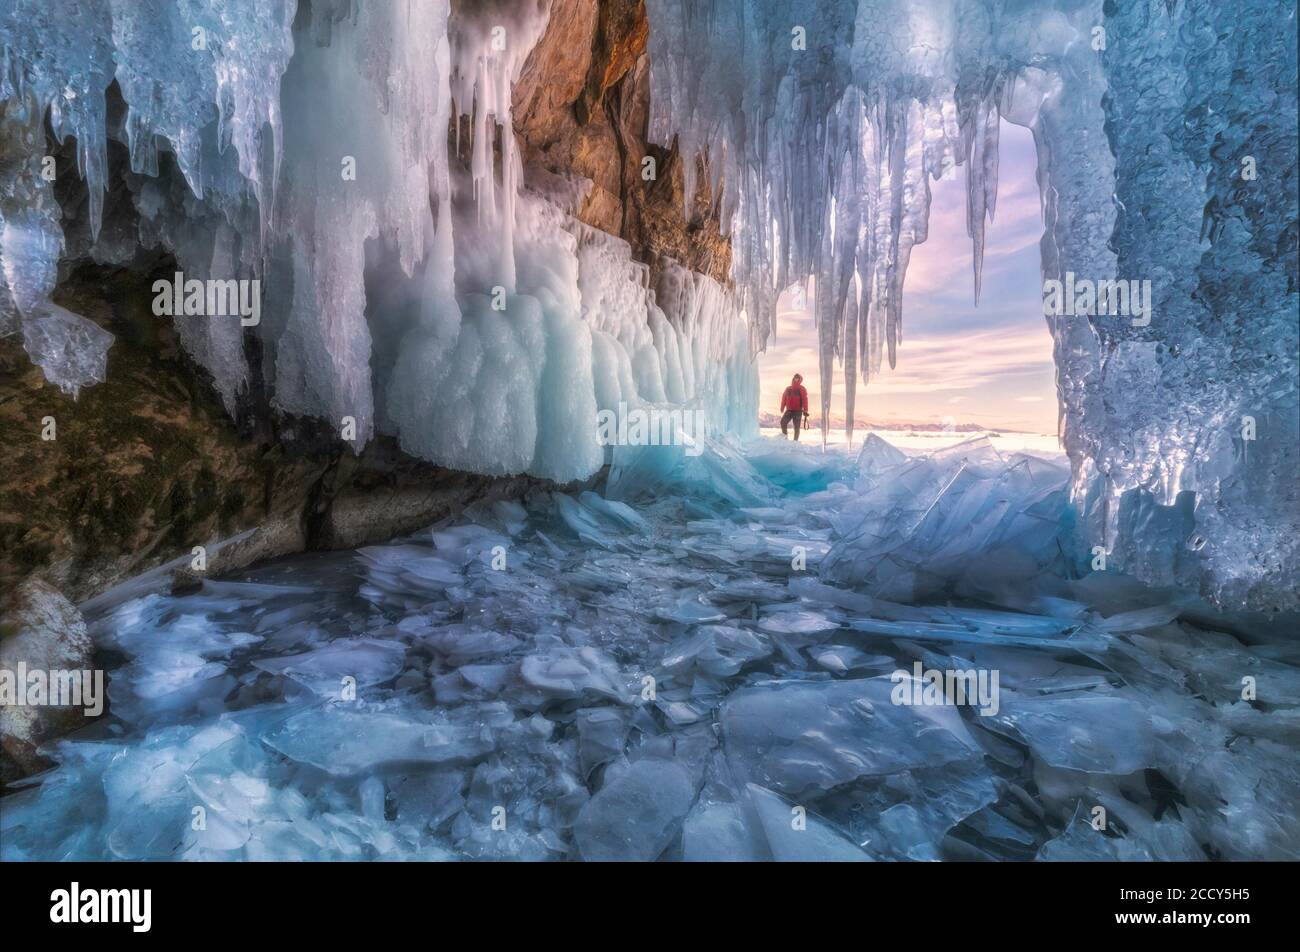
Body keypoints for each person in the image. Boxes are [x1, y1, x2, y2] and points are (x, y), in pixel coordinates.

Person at [779, 373, 809, 440]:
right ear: (793, 378)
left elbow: (805, 399)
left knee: (796, 427)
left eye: (797, 378)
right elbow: (784, 398)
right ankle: (785, 438)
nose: (796, 379)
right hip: (789, 410)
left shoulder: (802, 388)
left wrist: (805, 410)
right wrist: (782, 407)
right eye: (795, 377)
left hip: (798, 411)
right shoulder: (788, 388)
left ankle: (795, 442)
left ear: (800, 379)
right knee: (783, 422)